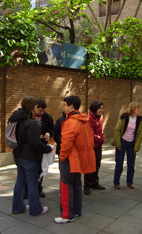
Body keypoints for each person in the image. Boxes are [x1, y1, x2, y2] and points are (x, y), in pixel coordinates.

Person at [54, 95, 96, 224]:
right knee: (77, 184)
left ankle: (66, 215)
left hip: (70, 159)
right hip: (79, 159)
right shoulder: (84, 120)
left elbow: (65, 143)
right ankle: (77, 211)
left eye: (65, 105)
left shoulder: (71, 121)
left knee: (66, 186)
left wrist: (62, 157)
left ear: (71, 106)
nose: (63, 107)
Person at [11, 96, 53, 216]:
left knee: (20, 182)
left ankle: (18, 207)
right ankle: (36, 209)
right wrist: (47, 149)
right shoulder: (32, 123)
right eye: (35, 105)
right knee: (32, 183)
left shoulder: (18, 119)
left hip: (19, 155)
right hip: (29, 157)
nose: (37, 107)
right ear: (32, 107)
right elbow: (35, 143)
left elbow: (25, 137)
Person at [23, 98, 54, 199]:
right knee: (30, 170)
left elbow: (51, 128)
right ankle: (26, 190)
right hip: (31, 148)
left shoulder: (47, 118)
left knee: (41, 169)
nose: (42, 112)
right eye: (40, 110)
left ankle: (39, 188)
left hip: (42, 147)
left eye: (43, 110)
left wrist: (49, 133)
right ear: (35, 108)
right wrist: (36, 136)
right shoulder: (29, 117)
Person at [113, 102, 142, 190]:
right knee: (119, 163)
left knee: (131, 164)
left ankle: (130, 182)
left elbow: (140, 134)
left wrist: (136, 147)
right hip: (122, 142)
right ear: (133, 109)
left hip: (132, 144)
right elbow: (117, 130)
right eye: (138, 108)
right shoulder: (124, 118)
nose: (140, 110)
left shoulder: (139, 120)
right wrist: (118, 144)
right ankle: (116, 182)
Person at [84, 100, 105, 195]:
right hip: (91, 146)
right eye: (100, 108)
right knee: (89, 166)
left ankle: (94, 183)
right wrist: (100, 138)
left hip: (98, 145)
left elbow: (100, 130)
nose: (102, 110)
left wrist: (102, 136)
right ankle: (87, 186)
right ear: (94, 109)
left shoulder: (100, 117)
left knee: (97, 165)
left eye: (102, 108)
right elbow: (90, 134)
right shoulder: (89, 119)